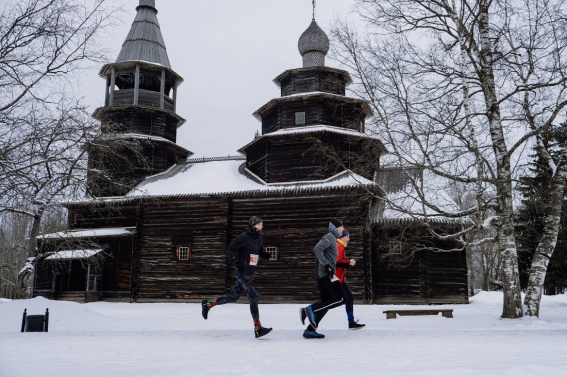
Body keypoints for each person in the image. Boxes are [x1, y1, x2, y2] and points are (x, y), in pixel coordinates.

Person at [201, 216, 272, 338]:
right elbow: (230, 249)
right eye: (260, 224)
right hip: (242, 271)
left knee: (233, 297)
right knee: (253, 295)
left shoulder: (259, 238)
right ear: (253, 225)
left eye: (262, 224)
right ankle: (258, 328)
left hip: (249, 272)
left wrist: (263, 254)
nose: (262, 226)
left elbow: (256, 251)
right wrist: (236, 261)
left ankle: (208, 304)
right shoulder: (244, 237)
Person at [299, 218, 347, 339]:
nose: (343, 229)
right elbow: (317, 249)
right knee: (341, 298)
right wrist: (327, 266)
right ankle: (309, 310)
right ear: (335, 228)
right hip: (326, 274)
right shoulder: (329, 236)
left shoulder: (333, 239)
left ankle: (310, 330)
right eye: (341, 227)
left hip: (326, 273)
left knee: (327, 301)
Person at [336, 229, 365, 330]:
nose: (349, 239)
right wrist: (349, 262)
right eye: (347, 237)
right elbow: (336, 263)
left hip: (341, 279)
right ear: (342, 237)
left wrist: (347, 261)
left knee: (349, 298)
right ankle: (309, 311)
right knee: (331, 301)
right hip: (337, 280)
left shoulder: (340, 246)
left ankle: (351, 322)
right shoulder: (339, 246)